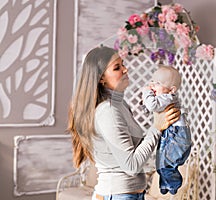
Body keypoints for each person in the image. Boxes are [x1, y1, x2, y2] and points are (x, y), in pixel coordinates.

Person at [67, 46, 180, 200]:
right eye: (117, 67)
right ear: (101, 78)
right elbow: (131, 166)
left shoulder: (120, 105)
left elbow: (137, 150)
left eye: (123, 64)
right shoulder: (108, 111)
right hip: (117, 195)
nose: (125, 69)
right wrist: (156, 127)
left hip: (127, 194)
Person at [142, 65, 192, 195]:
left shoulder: (168, 97)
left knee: (168, 164)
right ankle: (165, 184)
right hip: (170, 133)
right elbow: (152, 108)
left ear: (171, 90)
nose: (152, 85)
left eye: (158, 83)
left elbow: (152, 105)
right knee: (161, 162)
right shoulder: (163, 97)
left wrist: (146, 92)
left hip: (176, 134)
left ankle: (174, 184)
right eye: (152, 81)